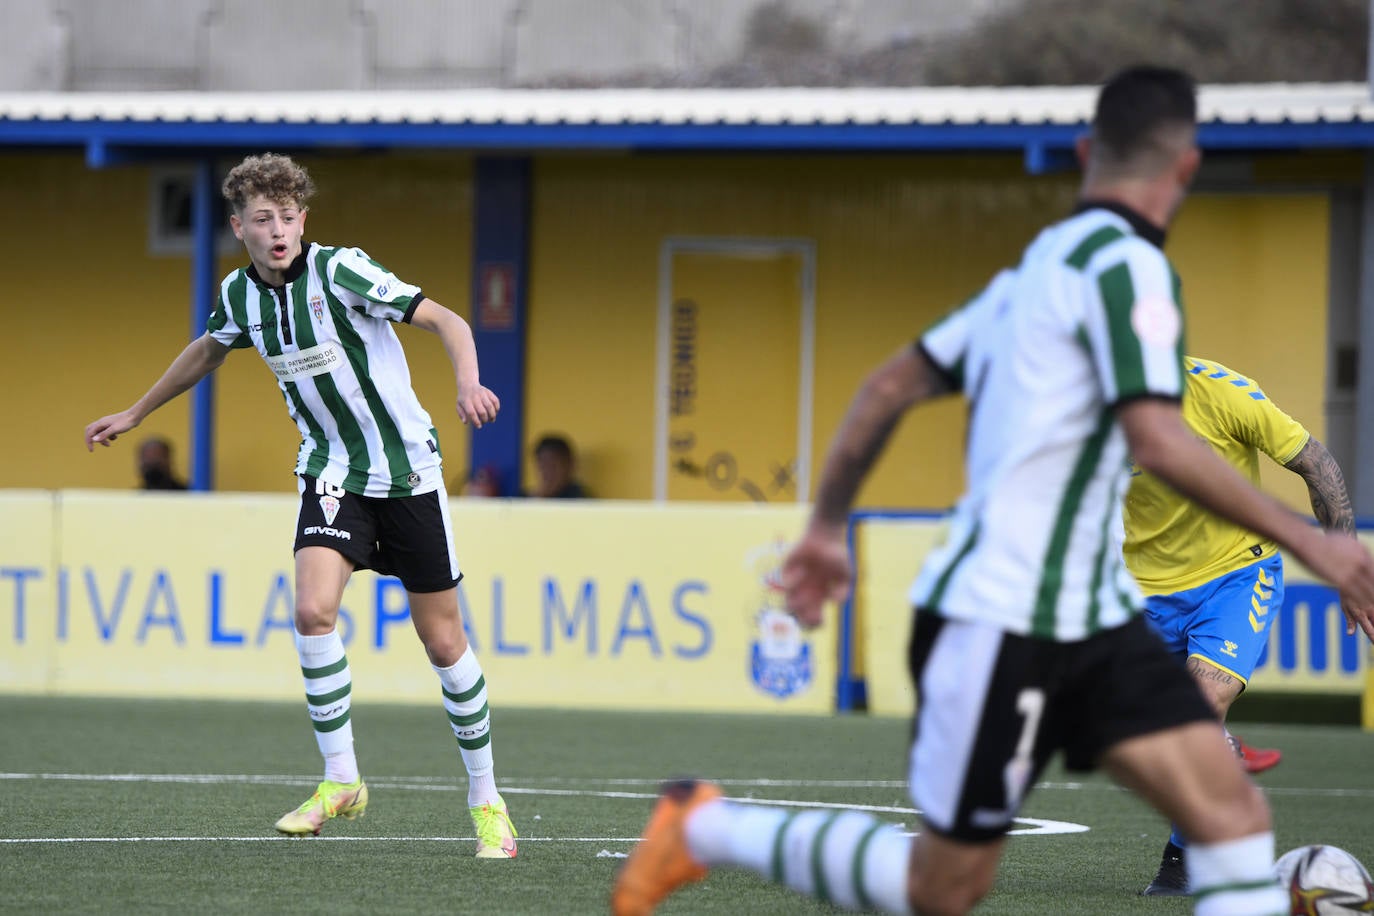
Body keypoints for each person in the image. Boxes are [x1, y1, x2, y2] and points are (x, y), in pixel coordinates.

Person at [611, 65, 1374, 916]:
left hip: (1079, 612)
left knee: (1225, 813)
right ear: (1187, 169)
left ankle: (698, 828)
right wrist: (1319, 543)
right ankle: (702, 829)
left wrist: (827, 525)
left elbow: (887, 388)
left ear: (1084, 152)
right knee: (946, 884)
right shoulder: (1135, 271)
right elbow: (1157, 439)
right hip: (1009, 617)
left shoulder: (1025, 280)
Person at [84, 153, 518, 857]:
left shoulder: (341, 270)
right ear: (239, 227)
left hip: (408, 474)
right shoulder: (240, 296)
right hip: (332, 472)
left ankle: (486, 799)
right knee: (313, 609)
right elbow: (207, 349)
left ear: (302, 220)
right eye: (263, 219)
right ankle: (340, 779)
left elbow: (448, 320)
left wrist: (468, 382)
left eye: (288, 217)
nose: (277, 229)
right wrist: (136, 412)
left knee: (443, 643)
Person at [1128, 354, 1356, 896]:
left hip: (1237, 574)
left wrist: (1345, 564)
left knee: (1203, 704)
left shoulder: (1222, 392)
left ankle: (1183, 862)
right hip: (1143, 589)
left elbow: (1315, 462)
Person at [528, 433, 589, 498]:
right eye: (542, 466)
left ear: (569, 465)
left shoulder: (580, 498)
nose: (547, 472)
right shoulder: (527, 497)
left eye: (552, 466)